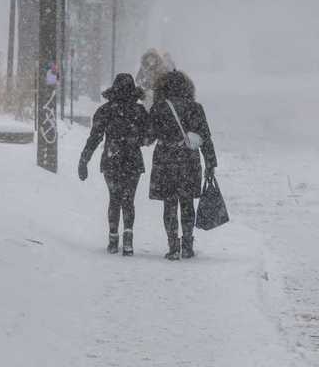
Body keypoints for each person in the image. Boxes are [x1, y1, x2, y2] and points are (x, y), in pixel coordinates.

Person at [78, 73, 150, 256]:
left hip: (112, 159)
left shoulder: (105, 110)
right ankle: (128, 240)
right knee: (128, 200)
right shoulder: (140, 112)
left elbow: (94, 138)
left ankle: (112, 239)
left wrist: (84, 159)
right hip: (133, 160)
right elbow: (148, 137)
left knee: (114, 199)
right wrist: (136, 139)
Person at [148, 70, 216, 260]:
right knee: (187, 204)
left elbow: (148, 136)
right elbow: (206, 138)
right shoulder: (196, 108)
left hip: (165, 160)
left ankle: (172, 246)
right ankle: (187, 244)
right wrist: (211, 163)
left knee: (169, 204)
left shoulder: (158, 108)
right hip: (189, 160)